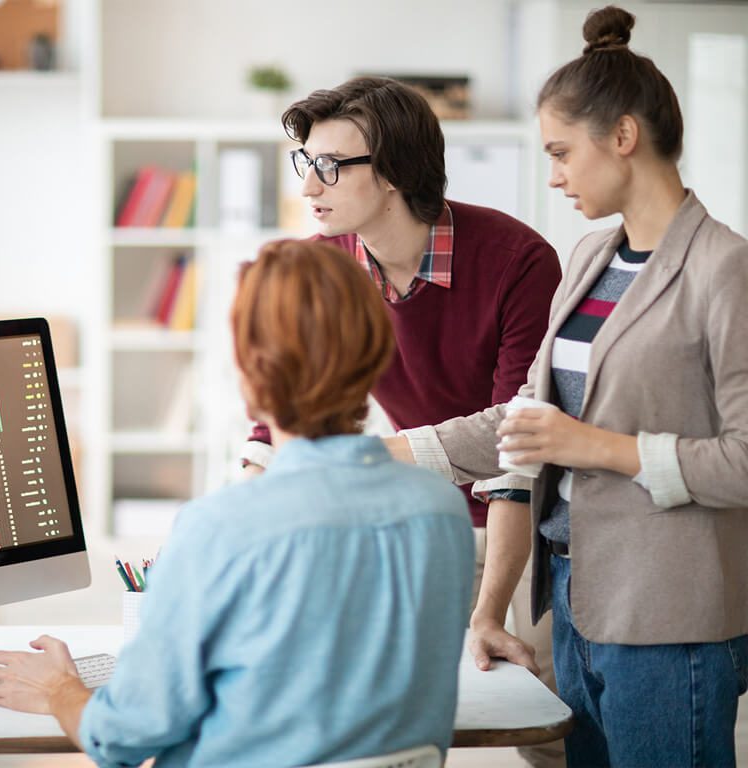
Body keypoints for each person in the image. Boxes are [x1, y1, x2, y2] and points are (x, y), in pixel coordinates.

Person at [388, 6, 748, 767]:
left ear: (623, 136)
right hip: (572, 600)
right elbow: (528, 419)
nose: (552, 175)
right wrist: (389, 454)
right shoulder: (588, 258)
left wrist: (596, 447)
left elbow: (744, 460)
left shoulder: (726, 269)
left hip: (669, 619)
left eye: (560, 152)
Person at [0, 239, 475, 767]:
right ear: (375, 360)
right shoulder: (442, 510)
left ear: (251, 377)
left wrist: (59, 689)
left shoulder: (220, 528)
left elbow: (121, 739)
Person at [242, 75, 566, 768]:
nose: (309, 186)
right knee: (395, 721)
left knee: (546, 726)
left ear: (391, 172)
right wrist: (244, 497)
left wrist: (489, 610)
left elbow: (517, 443)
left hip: (536, 515)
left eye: (331, 166)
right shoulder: (327, 264)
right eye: (307, 163)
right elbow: (285, 405)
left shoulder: (516, 260)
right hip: (427, 513)